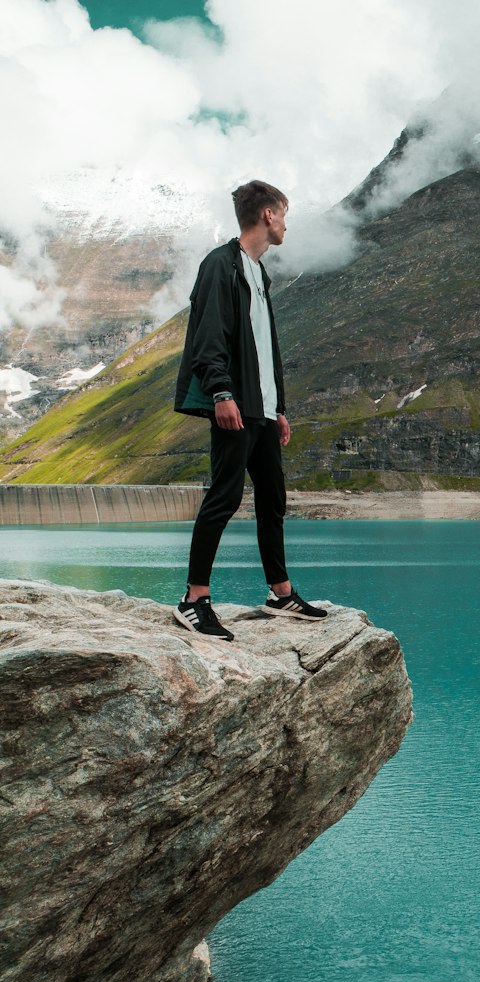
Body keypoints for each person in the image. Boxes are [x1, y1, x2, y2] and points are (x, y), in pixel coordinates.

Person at [173, 179, 326, 640]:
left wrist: (279, 407)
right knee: (224, 495)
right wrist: (221, 394)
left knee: (273, 497)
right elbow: (208, 338)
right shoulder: (220, 265)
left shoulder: (258, 273)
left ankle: (280, 593)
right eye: (284, 213)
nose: (285, 223)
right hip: (235, 404)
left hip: (261, 409)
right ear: (267, 215)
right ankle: (193, 599)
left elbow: (264, 347)